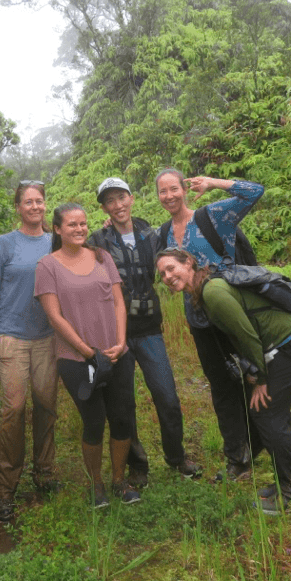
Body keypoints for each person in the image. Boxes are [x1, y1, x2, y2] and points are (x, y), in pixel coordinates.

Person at [155, 248, 291, 514]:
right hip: (285, 347)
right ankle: (285, 482)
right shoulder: (205, 289)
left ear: (189, 262)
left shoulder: (213, 292)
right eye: (162, 273)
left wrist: (260, 379)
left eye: (171, 268)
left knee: (267, 411)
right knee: (266, 412)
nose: (167, 276)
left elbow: (247, 336)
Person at [87, 177, 201, 486]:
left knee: (167, 395)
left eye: (121, 197)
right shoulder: (96, 240)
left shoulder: (153, 235)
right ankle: (137, 465)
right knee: (124, 403)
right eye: (110, 200)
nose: (118, 205)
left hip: (149, 328)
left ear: (131, 198)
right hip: (116, 333)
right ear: (104, 207)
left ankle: (176, 457)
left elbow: (180, 257)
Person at [155, 168, 265, 482]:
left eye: (174, 188)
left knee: (254, 377)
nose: (169, 196)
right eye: (162, 192)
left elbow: (254, 191)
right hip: (200, 323)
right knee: (221, 387)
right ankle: (237, 458)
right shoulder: (164, 234)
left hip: (233, 314)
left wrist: (214, 183)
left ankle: (265, 443)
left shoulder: (212, 216)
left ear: (185, 189)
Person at [35, 203, 140, 507]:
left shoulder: (101, 256)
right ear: (57, 229)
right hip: (76, 358)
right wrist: (87, 352)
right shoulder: (47, 266)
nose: (79, 229)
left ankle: (119, 480)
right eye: (71, 225)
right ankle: (96, 485)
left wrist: (121, 343)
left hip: (116, 352)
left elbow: (119, 303)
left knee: (122, 419)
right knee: (94, 421)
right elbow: (55, 316)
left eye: (83, 224)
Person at [0, 181, 60, 524]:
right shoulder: (4, 244)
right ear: (18, 207)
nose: (35, 206)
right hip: (11, 336)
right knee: (13, 410)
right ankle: (5, 489)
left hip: (47, 337)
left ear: (45, 205)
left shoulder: (54, 241)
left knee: (46, 405)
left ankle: (45, 473)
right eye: (28, 202)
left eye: (39, 201)